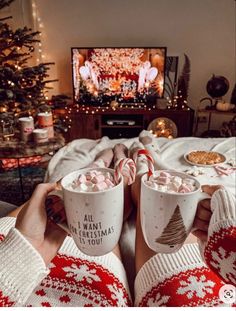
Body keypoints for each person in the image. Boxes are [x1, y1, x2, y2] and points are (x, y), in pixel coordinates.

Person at [0, 142, 235, 307]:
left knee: (67, 191)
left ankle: (105, 163)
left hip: (15, 252)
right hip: (207, 291)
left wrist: (24, 249)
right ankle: (138, 161)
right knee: (146, 189)